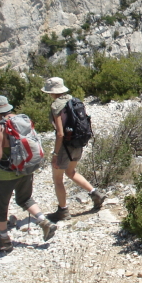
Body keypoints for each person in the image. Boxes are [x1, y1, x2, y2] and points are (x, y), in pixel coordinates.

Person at [0, 95, 57, 252]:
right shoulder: (23, 119)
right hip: (26, 167)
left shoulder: (0, 127)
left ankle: (4, 240)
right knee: (25, 198)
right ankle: (45, 222)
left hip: (7, 174)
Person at [42, 77, 104, 222]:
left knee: (58, 179)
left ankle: (63, 211)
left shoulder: (56, 106)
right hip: (78, 142)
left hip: (65, 146)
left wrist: (55, 154)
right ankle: (95, 194)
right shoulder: (74, 100)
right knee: (70, 171)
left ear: (52, 92)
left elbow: (60, 133)